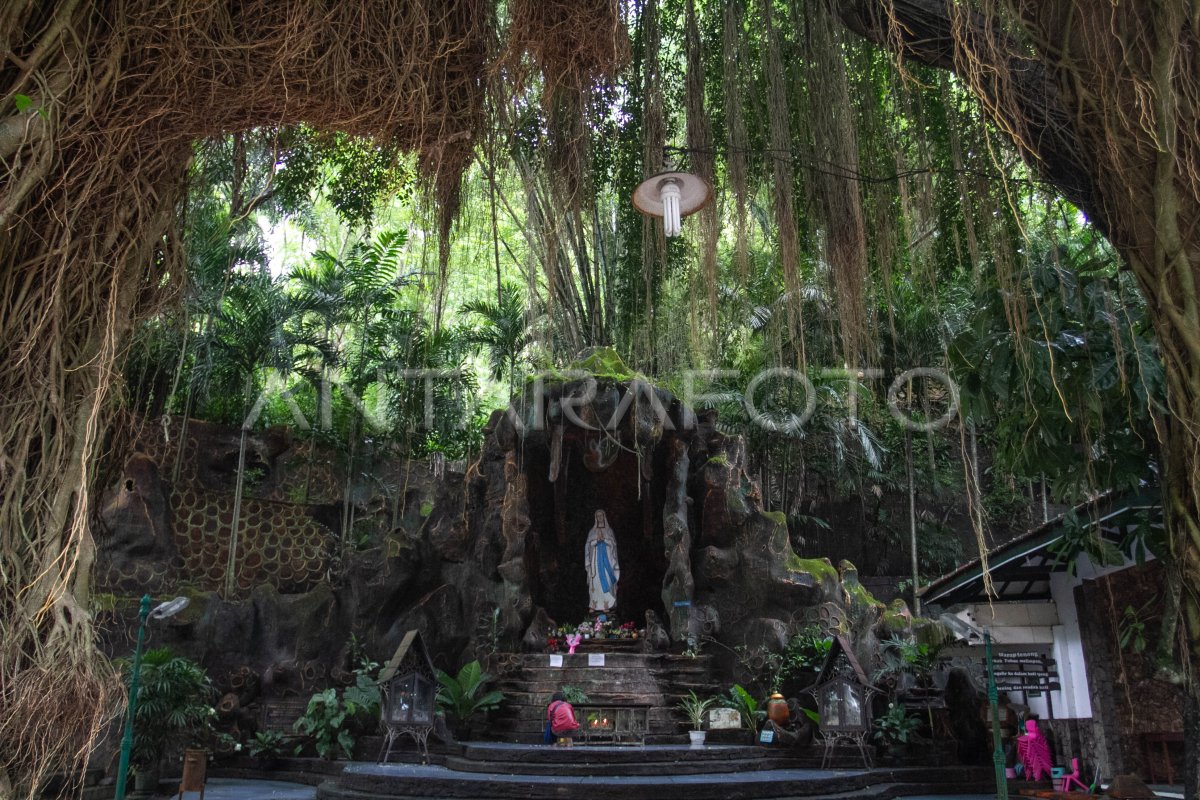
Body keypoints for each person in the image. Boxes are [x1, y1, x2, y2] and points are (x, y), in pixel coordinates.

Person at [585, 510, 619, 612]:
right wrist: (596, 540)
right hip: (595, 561)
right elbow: (588, 546)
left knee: (607, 580)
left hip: (607, 562)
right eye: (597, 516)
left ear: (604, 517)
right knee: (595, 582)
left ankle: (606, 604)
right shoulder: (592, 531)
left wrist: (604, 539)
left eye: (601, 515)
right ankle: (594, 605)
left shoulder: (609, 531)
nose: (599, 517)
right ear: (596, 518)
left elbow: (613, 545)